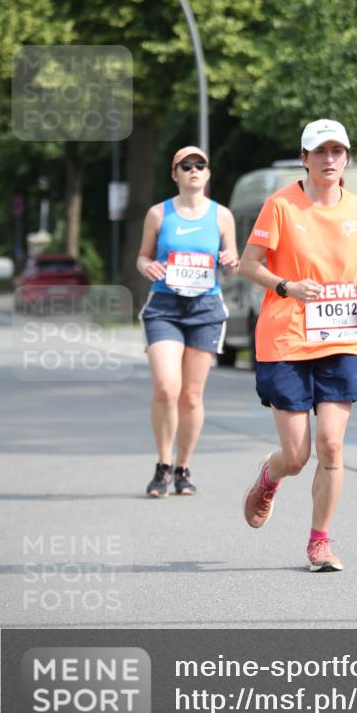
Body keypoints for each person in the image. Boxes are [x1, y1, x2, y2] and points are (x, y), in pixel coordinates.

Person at [238, 119, 357, 571]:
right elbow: (248, 263)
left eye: (337, 152)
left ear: (347, 158)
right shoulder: (281, 205)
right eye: (319, 152)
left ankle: (319, 543)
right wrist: (286, 286)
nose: (329, 160)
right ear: (304, 158)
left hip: (341, 336)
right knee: (299, 456)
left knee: (332, 446)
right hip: (285, 337)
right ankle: (270, 476)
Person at [136, 146, 238, 497]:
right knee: (167, 387)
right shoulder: (158, 214)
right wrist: (146, 266)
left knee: (192, 397)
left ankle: (183, 467)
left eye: (200, 165)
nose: (194, 170)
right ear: (175, 173)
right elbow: (142, 257)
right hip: (164, 307)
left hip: (205, 310)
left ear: (208, 174)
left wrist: (230, 259)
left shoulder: (222, 216)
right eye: (186, 165)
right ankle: (162, 465)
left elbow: (231, 263)